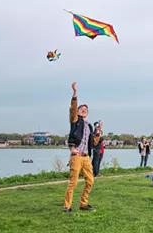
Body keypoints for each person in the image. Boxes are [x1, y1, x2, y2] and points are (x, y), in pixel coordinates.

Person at [63, 82, 95, 212]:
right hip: (76, 155)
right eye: (82, 109)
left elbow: (91, 142)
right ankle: (67, 206)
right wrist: (75, 93)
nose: (84, 110)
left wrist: (97, 134)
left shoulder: (89, 126)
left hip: (86, 157)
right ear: (77, 112)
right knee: (73, 182)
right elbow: (73, 108)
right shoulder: (75, 120)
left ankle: (83, 204)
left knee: (90, 181)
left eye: (86, 110)